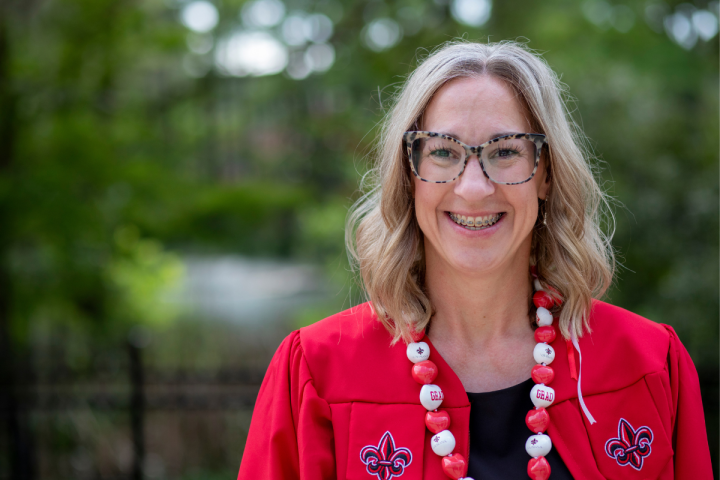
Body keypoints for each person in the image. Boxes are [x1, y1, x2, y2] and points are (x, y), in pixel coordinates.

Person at [237, 41, 712, 480]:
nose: (474, 188)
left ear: (546, 175)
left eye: (505, 151)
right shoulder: (318, 374)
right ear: (410, 175)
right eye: (444, 152)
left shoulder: (648, 365)